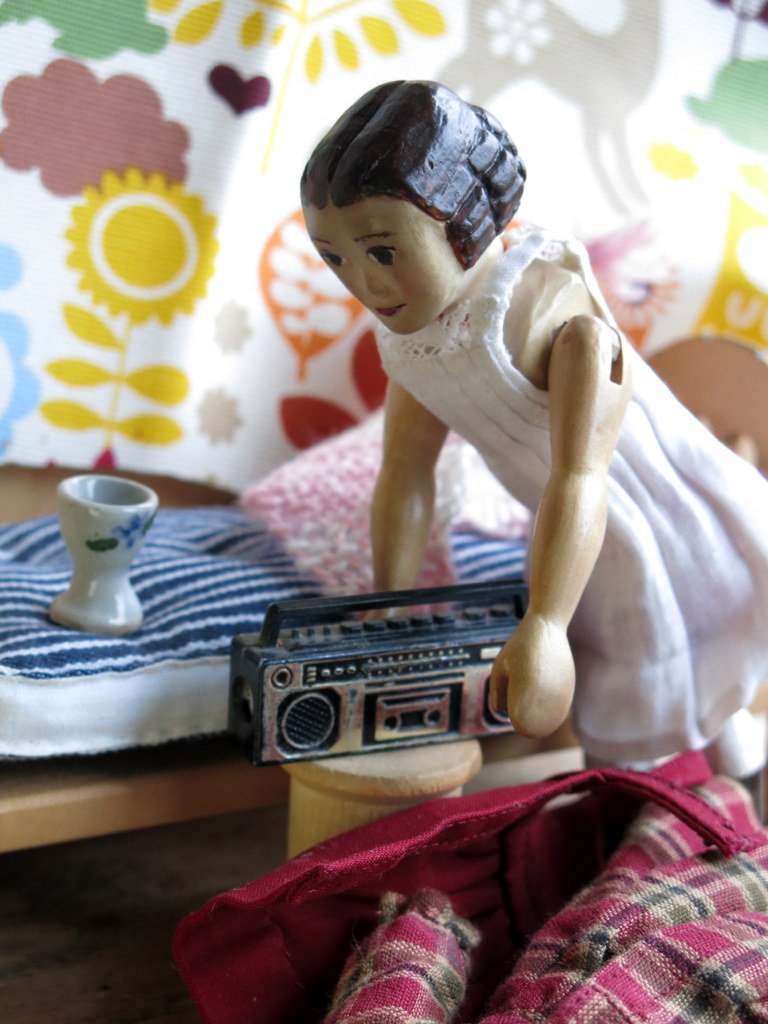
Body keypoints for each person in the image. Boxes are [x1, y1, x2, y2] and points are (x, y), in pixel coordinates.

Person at [300, 80, 768, 770]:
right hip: (571, 528)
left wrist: (545, 622)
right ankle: (650, 783)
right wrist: (389, 607)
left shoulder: (549, 312)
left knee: (701, 604)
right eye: (335, 258)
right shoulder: (418, 344)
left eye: (384, 252)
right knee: (623, 649)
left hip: (640, 500)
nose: (364, 287)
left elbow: (582, 472)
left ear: (462, 222)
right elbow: (405, 471)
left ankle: (723, 740)